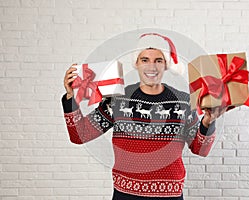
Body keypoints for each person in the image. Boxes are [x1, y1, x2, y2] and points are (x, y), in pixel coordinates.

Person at [61, 33, 226, 200]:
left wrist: (208, 121)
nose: (151, 67)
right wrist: (70, 97)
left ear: (166, 65)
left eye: (158, 60)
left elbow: (200, 149)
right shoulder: (117, 100)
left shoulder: (183, 101)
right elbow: (79, 135)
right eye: (145, 60)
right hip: (126, 194)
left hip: (169, 195)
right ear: (137, 64)